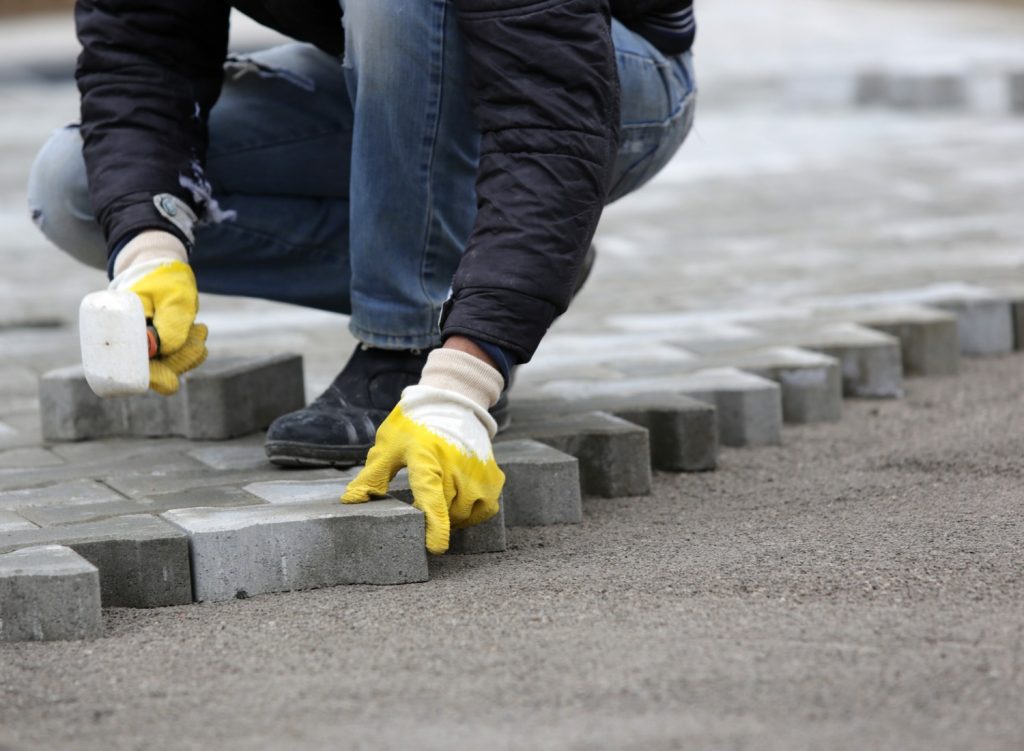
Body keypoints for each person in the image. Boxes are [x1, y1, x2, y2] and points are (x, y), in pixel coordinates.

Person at [28, 0, 697, 553]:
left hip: (608, 78)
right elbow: (141, 57)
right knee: (78, 189)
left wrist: (467, 374)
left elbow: (552, 119)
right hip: (403, 61)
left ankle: (408, 337)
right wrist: (150, 250)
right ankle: (493, 260)